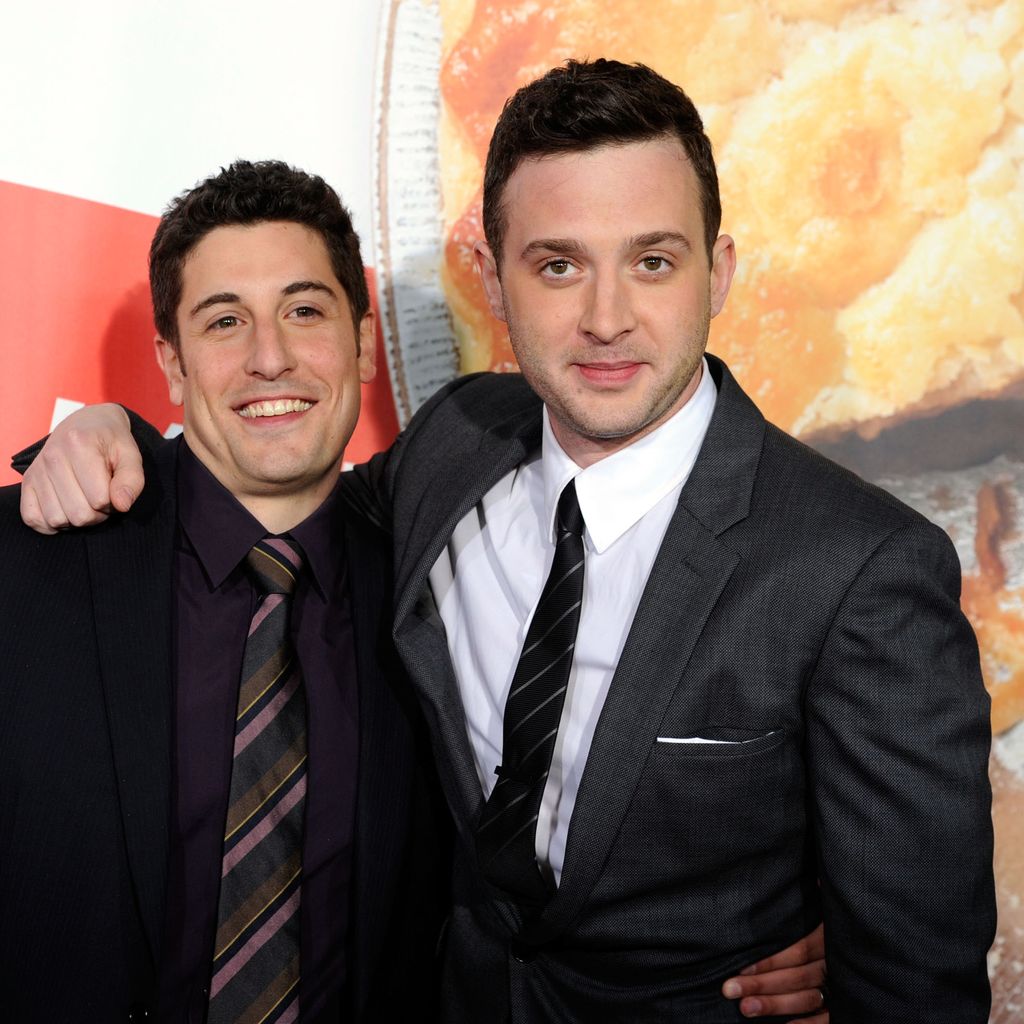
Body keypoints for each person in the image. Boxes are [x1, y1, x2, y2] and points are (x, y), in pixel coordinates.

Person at [16, 58, 992, 1021]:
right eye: (559, 265)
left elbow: (914, 976)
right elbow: (277, 485)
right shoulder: (453, 446)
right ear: (491, 280)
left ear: (719, 271)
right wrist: (113, 435)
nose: (606, 319)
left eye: (652, 261)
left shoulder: (859, 568)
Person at [0, 160, 447, 1023]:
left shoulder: (438, 581)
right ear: (172, 365)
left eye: (304, 311)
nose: (269, 358)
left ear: (362, 343)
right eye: (225, 321)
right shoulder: (28, 561)